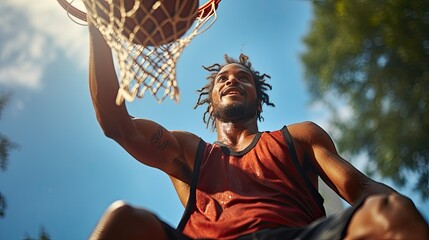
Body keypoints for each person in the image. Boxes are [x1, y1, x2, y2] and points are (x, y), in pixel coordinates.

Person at [86, 22, 429, 240]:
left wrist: (398, 210)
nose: (231, 79)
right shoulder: (190, 153)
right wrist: (98, 24)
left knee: (391, 211)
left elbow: (363, 188)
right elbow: (116, 126)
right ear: (211, 102)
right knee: (123, 221)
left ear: (258, 100)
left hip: (296, 235)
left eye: (242, 78)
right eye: (223, 79)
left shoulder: (299, 138)